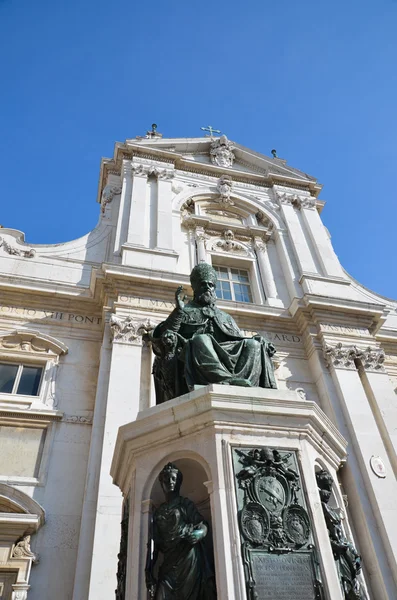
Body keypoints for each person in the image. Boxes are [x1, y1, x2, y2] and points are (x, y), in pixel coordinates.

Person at [152, 263, 277, 403]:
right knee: (202, 340)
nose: (207, 287)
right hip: (194, 353)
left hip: (223, 352)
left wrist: (258, 339)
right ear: (195, 288)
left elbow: (237, 339)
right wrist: (178, 312)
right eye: (203, 284)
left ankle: (243, 384)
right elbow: (161, 339)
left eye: (210, 285)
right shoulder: (185, 310)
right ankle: (225, 380)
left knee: (253, 345)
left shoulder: (224, 316)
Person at [145, 463, 216, 599]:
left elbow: (202, 524)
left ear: (178, 482)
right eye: (166, 479)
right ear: (161, 483)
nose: (170, 482)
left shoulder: (185, 504)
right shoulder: (158, 512)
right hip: (168, 563)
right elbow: (154, 544)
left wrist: (199, 533)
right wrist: (148, 570)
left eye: (173, 479)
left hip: (189, 559)